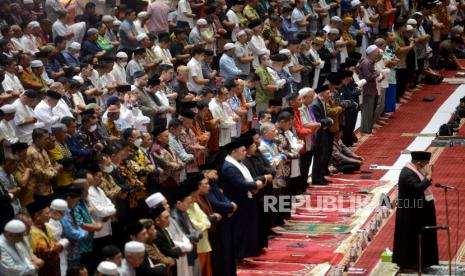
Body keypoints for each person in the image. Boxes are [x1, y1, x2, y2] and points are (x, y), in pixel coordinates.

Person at [393, 151, 439, 273]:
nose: (426, 167)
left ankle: (422, 261)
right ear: (419, 163)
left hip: (416, 211)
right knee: (411, 238)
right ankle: (411, 263)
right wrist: (429, 176)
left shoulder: (415, 171)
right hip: (410, 214)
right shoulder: (407, 173)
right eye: (425, 164)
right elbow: (417, 188)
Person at [311, 85, 333, 185]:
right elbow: (318, 120)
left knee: (323, 155)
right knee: (319, 156)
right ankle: (316, 179)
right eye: (328, 93)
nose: (330, 95)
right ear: (321, 94)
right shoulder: (316, 104)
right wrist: (328, 121)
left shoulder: (323, 102)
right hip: (318, 133)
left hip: (323, 131)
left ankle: (321, 176)